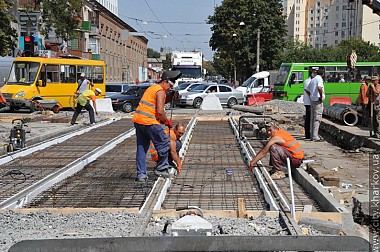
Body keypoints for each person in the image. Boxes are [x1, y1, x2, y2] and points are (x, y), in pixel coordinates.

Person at [132, 70, 182, 182]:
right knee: (165, 142)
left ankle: (141, 175)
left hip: (138, 121)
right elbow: (159, 111)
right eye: (169, 85)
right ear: (164, 82)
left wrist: (170, 97)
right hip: (149, 122)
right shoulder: (160, 91)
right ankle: (161, 168)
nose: (170, 88)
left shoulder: (152, 88)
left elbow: (156, 103)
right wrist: (166, 121)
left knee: (141, 148)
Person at [307, 68, 325, 142]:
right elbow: (319, 88)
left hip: (312, 100)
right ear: (323, 74)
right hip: (317, 101)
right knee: (317, 118)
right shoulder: (319, 79)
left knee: (312, 118)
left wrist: (311, 96)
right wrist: (320, 97)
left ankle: (312, 135)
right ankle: (315, 136)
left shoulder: (313, 79)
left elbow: (307, 90)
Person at [303, 69, 317, 140]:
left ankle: (310, 134)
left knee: (311, 118)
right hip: (309, 102)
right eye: (314, 73)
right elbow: (307, 90)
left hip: (310, 102)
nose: (315, 74)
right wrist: (312, 98)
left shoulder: (312, 80)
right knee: (308, 119)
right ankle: (308, 134)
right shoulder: (308, 81)